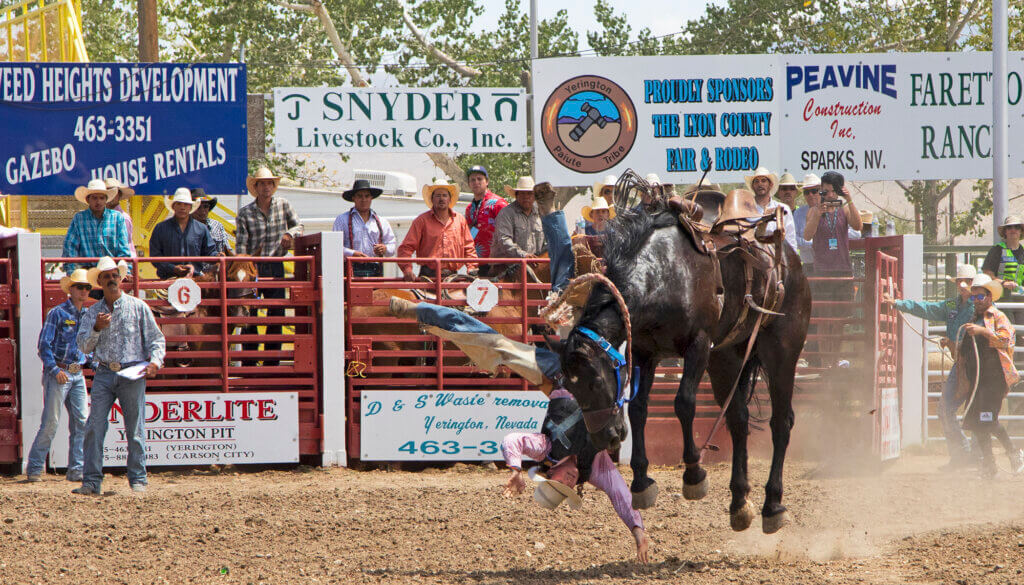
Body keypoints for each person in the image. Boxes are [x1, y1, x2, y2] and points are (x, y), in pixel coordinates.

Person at [385, 297, 649, 563]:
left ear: (551, 472)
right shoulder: (597, 467)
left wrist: (514, 470)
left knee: (497, 345)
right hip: (599, 378)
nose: (569, 481)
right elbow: (620, 495)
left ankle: (419, 311)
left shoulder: (546, 449)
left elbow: (513, 440)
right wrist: (637, 532)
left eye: (561, 483)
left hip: (559, 374)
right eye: (569, 486)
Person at [73, 257, 165, 495]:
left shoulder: (139, 307)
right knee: (94, 426)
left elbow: (156, 340)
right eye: (107, 276)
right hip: (104, 371)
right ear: (100, 282)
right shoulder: (93, 312)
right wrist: (96, 329)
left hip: (132, 371)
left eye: (115, 275)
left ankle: (138, 479)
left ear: (120, 278)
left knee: (134, 429)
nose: (112, 279)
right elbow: (83, 346)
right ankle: (92, 481)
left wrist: (155, 361)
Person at [883, 264, 977, 469]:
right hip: (961, 365)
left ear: (973, 284)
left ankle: (972, 455)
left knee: (973, 410)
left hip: (976, 365)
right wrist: (899, 304)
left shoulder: (979, 306)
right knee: (945, 409)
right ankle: (964, 454)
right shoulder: (952, 305)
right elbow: (927, 308)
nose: (963, 286)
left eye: (968, 282)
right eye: (961, 282)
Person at [25, 269, 92, 483]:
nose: (84, 291)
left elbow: (88, 345)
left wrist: (91, 360)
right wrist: (55, 369)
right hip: (60, 372)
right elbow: (43, 345)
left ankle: (76, 469)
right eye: (80, 287)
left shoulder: (88, 315)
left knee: (81, 421)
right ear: (70, 290)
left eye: (87, 287)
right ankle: (35, 467)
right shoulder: (57, 313)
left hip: (76, 372)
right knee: (52, 422)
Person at [955, 273, 1024, 477]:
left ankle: (1014, 453)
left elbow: (1006, 340)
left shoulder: (998, 317)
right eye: (973, 297)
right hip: (977, 379)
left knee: (987, 419)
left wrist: (983, 332)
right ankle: (989, 465)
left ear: (989, 297)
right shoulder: (974, 319)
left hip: (994, 379)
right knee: (976, 422)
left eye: (980, 297)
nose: (976, 301)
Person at [236, 167, 303, 367]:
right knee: (250, 314)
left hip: (275, 266)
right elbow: (241, 247)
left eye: (269, 183)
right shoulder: (245, 213)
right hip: (253, 268)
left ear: (274, 187)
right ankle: (249, 363)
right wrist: (244, 269)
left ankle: (272, 363)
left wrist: (290, 234)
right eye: (262, 183)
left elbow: (299, 226)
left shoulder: (284, 205)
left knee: (276, 313)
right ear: (255, 187)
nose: (266, 187)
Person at [397, 183, 476, 281]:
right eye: (438, 195)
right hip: (428, 277)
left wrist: (472, 267)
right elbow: (406, 248)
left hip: (453, 277)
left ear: (450, 199)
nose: (441, 199)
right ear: (432, 199)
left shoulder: (460, 220)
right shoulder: (421, 221)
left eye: (445, 195)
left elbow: (468, 247)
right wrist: (407, 269)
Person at [803, 170, 862, 281]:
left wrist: (849, 199)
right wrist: (817, 214)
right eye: (826, 191)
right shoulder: (813, 211)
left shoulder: (844, 209)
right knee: (821, 299)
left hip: (843, 268)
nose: (830, 195)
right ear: (821, 190)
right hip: (821, 270)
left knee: (845, 298)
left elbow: (858, 226)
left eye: (834, 191)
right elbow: (807, 236)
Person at [62, 179, 131, 272]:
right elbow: (70, 247)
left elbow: (123, 249)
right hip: (87, 270)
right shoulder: (79, 219)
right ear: (88, 200)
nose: (98, 202)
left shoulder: (117, 218)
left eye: (102, 198)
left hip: (111, 271)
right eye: (94, 198)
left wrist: (126, 270)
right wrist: (71, 271)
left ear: (106, 200)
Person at [333, 179, 397, 277]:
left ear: (371, 198)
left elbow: (392, 245)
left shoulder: (382, 221)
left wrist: (385, 248)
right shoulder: (342, 220)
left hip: (375, 269)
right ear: (353, 198)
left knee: (377, 292)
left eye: (367, 196)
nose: (363, 199)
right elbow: (335, 247)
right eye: (360, 196)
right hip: (350, 269)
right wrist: (353, 254)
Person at [149, 188, 216, 280]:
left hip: (194, 279)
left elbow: (210, 252)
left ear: (190, 207)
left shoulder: (201, 229)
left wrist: (218, 256)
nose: (182, 207)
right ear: (173, 206)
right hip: (167, 279)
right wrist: (172, 268)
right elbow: (155, 256)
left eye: (186, 204)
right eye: (179, 203)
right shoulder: (160, 228)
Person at [463, 165, 507, 276]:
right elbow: (469, 235)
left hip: (497, 261)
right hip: (477, 262)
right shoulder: (469, 208)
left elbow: (509, 230)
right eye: (472, 180)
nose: (476, 182)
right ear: (469, 184)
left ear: (487, 181)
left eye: (479, 179)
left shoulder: (498, 203)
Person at [743, 167, 798, 251]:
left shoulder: (782, 208)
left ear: (770, 185)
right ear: (753, 186)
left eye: (763, 181)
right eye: (756, 181)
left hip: (779, 257)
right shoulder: (746, 210)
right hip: (754, 257)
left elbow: (790, 239)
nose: (760, 184)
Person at [493, 176, 546, 261]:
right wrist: (524, 255)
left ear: (534, 196)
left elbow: (546, 242)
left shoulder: (540, 214)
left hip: (533, 263)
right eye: (522, 193)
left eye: (529, 193)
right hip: (506, 266)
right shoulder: (506, 213)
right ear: (516, 195)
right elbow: (504, 241)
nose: (526, 197)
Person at [982, 215, 1024, 296]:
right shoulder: (997, 250)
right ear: (1005, 231)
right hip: (999, 296)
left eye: (1017, 227)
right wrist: (1004, 283)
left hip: (1020, 297)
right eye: (1009, 227)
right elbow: (987, 274)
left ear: (1021, 231)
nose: (1013, 230)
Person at [190, 189, 233, 256]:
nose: (203, 211)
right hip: (193, 265)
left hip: (217, 264)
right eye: (198, 207)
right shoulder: (185, 227)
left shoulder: (217, 225)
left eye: (205, 207)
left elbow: (227, 249)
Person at [792, 173, 820, 273]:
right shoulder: (798, 213)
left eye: (814, 191)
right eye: (807, 192)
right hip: (808, 265)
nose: (810, 195)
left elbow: (855, 233)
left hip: (830, 265)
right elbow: (794, 239)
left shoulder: (832, 209)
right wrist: (816, 243)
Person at [103, 178, 138, 258]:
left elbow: (123, 245)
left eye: (113, 193)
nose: (111, 196)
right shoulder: (103, 216)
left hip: (122, 261)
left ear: (119, 195)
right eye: (108, 193)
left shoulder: (123, 218)